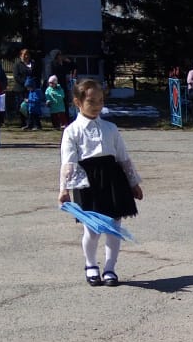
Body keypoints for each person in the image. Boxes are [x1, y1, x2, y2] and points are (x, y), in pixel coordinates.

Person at [59, 79, 144, 286]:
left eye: (100, 100)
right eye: (91, 101)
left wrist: (133, 182)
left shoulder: (110, 128)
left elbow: (123, 157)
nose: (97, 105)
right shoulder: (72, 131)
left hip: (113, 179)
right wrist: (64, 189)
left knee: (114, 227)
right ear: (78, 102)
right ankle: (91, 265)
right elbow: (68, 162)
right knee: (92, 229)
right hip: (87, 182)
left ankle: (110, 268)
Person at [12, 49, 34, 128]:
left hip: (31, 89)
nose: (26, 56)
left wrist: (32, 84)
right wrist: (26, 83)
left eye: (27, 54)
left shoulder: (32, 64)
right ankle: (23, 122)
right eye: (24, 54)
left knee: (30, 105)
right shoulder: (17, 65)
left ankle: (30, 122)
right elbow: (16, 76)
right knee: (22, 106)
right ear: (21, 55)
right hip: (20, 88)